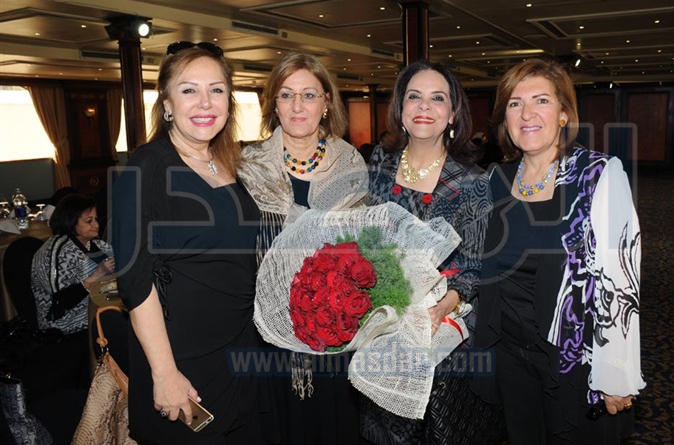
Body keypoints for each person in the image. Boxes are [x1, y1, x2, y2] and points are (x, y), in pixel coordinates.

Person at [474, 57, 645, 444]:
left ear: (564, 113)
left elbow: (621, 284)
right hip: (510, 356)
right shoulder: (497, 179)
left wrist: (616, 372)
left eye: (542, 100)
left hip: (573, 360)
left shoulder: (597, 174)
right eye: (515, 103)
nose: (527, 113)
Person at [111, 41, 267, 443]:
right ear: (167, 103)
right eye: (189, 90)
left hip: (239, 349)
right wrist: (165, 374)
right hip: (185, 361)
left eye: (216, 89)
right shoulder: (146, 166)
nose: (205, 102)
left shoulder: (227, 161)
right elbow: (134, 282)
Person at [361, 60, 504, 445]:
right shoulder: (381, 162)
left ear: (453, 113)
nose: (424, 106)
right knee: (380, 429)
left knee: (431, 430)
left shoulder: (472, 181)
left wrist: (446, 303)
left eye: (437, 98)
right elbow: (367, 234)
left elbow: (473, 267)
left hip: (438, 329)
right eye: (414, 97)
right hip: (380, 320)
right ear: (400, 108)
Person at [238, 52, 368, 444]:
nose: (297, 106)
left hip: (335, 324)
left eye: (309, 95)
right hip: (264, 326)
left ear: (326, 102)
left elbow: (362, 247)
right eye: (286, 95)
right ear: (274, 104)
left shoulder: (350, 165)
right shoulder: (246, 166)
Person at [31, 193, 114, 335]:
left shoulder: (94, 243)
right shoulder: (56, 253)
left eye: (95, 219)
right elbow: (62, 302)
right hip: (65, 325)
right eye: (89, 221)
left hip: (95, 310)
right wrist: (98, 274)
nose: (96, 224)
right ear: (71, 221)